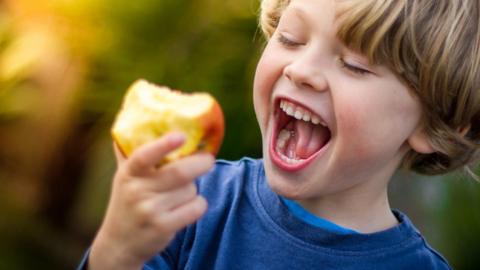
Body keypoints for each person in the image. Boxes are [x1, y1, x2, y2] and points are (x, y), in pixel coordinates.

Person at [78, 0, 480, 269]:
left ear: (432, 123)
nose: (300, 70)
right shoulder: (191, 205)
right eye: (290, 38)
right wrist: (117, 250)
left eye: (355, 64)